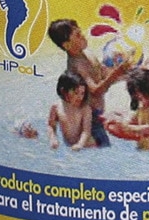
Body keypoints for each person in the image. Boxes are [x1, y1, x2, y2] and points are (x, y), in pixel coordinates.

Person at [47, 18, 130, 146]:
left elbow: (103, 76)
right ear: (67, 45)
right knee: (103, 146)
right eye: (77, 35)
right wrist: (116, 73)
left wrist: (119, 69)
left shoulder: (87, 54)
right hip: (90, 117)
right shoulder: (76, 65)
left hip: (98, 114)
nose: (83, 36)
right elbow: (96, 91)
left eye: (80, 32)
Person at [106, 67, 149, 151]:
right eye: (134, 92)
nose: (137, 96)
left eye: (138, 92)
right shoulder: (143, 106)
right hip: (144, 148)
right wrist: (118, 120)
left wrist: (126, 127)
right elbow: (132, 121)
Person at [47, 71, 94, 149]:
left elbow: (86, 131)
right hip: (69, 145)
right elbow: (51, 126)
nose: (80, 97)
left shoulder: (85, 109)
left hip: (86, 146)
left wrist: (80, 144)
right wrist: (53, 139)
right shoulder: (56, 107)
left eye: (82, 93)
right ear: (63, 91)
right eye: (76, 93)